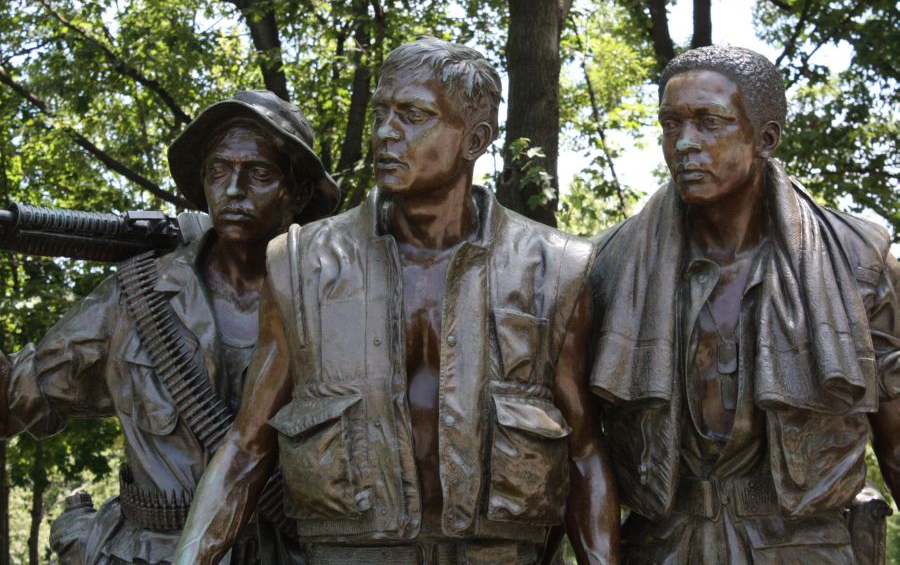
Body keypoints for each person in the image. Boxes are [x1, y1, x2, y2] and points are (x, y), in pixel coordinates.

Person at [173, 36, 620, 565]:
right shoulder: (300, 264)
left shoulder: (555, 267)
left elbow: (585, 450)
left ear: (474, 139)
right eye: (382, 112)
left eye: (413, 115)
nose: (386, 132)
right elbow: (247, 447)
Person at [0, 90, 340, 565]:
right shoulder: (135, 295)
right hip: (149, 552)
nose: (234, 189)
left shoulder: (339, 304)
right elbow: (15, 396)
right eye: (218, 171)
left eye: (258, 173)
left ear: (299, 192)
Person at [589, 45, 899, 564]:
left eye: (710, 122)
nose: (685, 143)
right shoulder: (610, 265)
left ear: (766, 137)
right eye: (671, 124)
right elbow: (581, 446)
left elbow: (895, 441)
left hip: (805, 545)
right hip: (664, 544)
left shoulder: (859, 263)